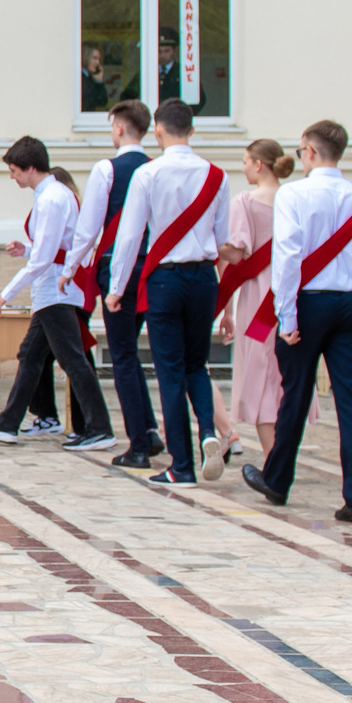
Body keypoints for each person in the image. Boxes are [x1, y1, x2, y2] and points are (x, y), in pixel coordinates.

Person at [244, 120, 352, 523]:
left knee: (295, 393)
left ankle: (277, 480)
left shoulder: (294, 194)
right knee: (351, 398)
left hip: (307, 304)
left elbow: (288, 257)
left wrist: (286, 315)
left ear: (309, 151)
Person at [102, 98, 233, 486]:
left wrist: (116, 287)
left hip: (164, 280)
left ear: (156, 130)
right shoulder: (217, 176)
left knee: (170, 371)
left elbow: (129, 237)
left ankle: (182, 466)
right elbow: (222, 239)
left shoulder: (149, 174)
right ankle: (208, 431)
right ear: (192, 130)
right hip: (203, 279)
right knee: (197, 365)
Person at [0, 138, 114, 452]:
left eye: (14, 170)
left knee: (71, 361)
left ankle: (99, 427)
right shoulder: (55, 194)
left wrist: (6, 294)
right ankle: (10, 421)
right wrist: (28, 250)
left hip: (54, 292)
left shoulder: (51, 198)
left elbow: (45, 258)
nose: (12, 177)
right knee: (31, 356)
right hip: (53, 291)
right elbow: (51, 250)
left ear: (30, 168)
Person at [69, 101, 162, 468]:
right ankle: (151, 428)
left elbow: (89, 225)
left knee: (123, 355)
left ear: (120, 129)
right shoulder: (157, 169)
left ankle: (138, 442)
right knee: (139, 354)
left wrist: (71, 267)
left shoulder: (107, 168)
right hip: (155, 267)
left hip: (118, 267)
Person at [216, 139, 300, 468]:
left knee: (263, 377)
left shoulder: (246, 201)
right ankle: (280, 458)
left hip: (260, 297)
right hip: (290, 294)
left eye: (246, 161)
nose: (243, 167)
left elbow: (237, 251)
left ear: (259, 165)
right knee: (284, 375)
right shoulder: (294, 200)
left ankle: (273, 462)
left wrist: (208, 241)